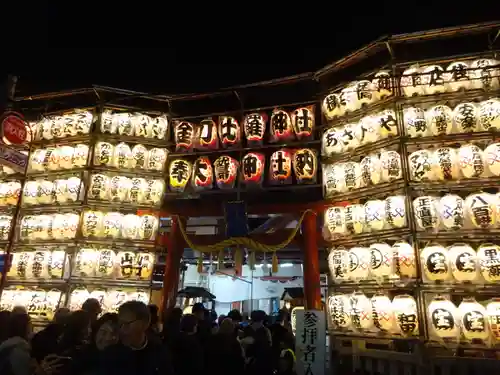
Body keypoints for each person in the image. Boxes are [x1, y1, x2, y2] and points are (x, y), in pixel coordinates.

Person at [98, 301, 174, 375]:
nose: (122, 330)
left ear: (144, 324)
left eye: (127, 324)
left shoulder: (160, 354)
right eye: (120, 324)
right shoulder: (111, 354)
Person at [242, 310, 273, 375]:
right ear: (262, 320)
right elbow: (270, 345)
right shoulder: (266, 331)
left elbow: (243, 347)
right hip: (263, 363)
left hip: (249, 363)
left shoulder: (246, 329)